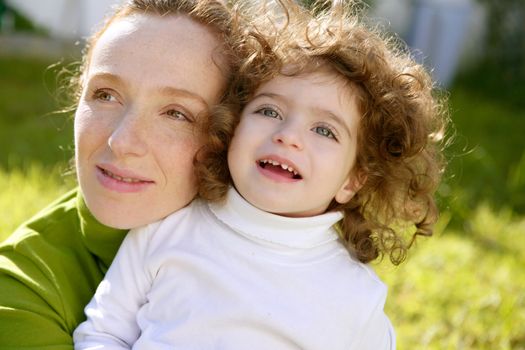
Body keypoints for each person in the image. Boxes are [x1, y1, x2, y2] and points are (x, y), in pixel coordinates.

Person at [73, 1, 448, 349]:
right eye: (269, 111)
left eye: (324, 131)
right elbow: (104, 331)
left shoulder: (356, 298)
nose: (287, 136)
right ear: (232, 126)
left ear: (353, 180)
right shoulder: (166, 232)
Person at [0, 0, 243, 348]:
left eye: (176, 113)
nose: (121, 141)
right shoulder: (18, 291)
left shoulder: (310, 253)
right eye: (106, 95)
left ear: (232, 134)